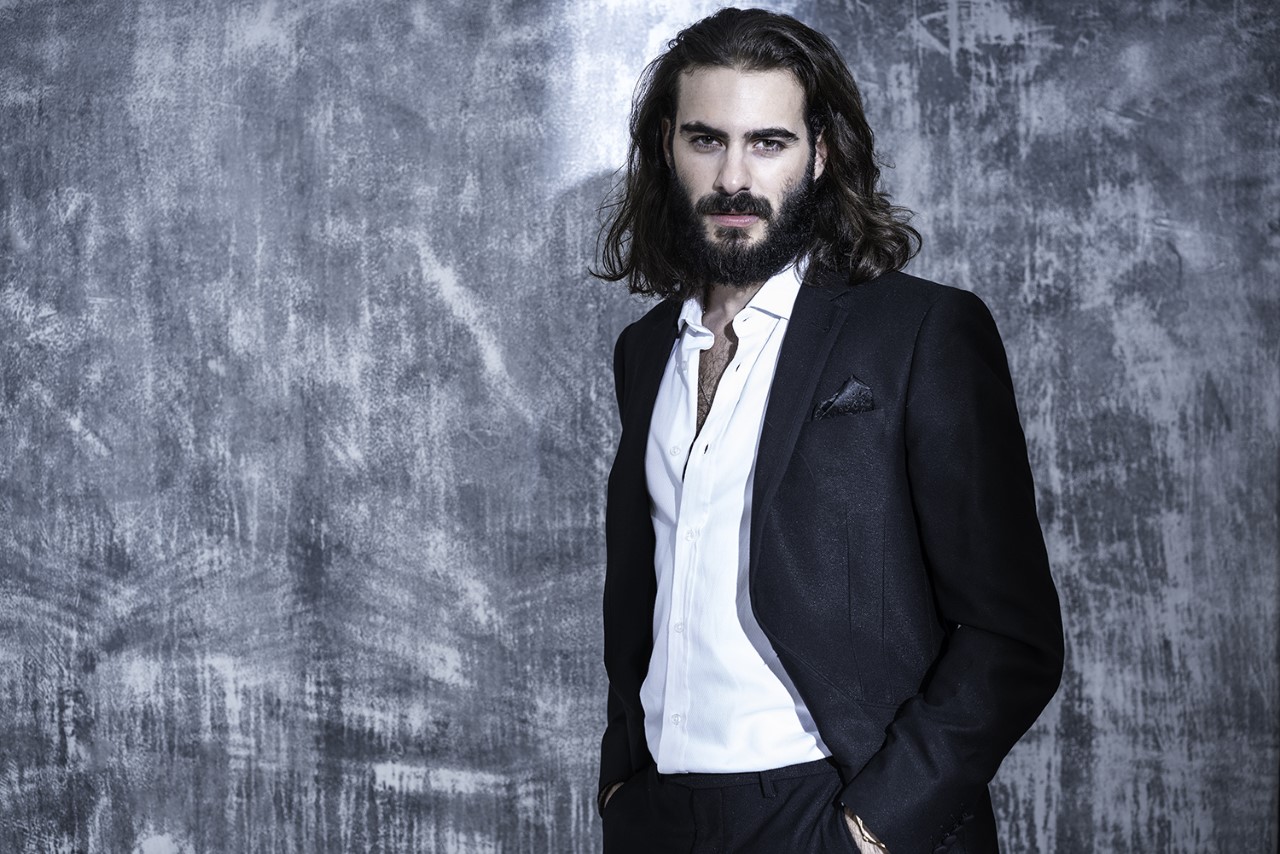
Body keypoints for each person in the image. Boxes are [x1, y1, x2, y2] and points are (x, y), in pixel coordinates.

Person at [592, 8, 1063, 853]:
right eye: (706, 140)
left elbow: (1011, 636)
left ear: (820, 152)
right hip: (659, 815)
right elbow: (644, 593)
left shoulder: (920, 333)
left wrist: (872, 827)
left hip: (834, 806)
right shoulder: (646, 349)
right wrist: (621, 781)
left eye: (767, 143)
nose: (733, 177)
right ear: (667, 146)